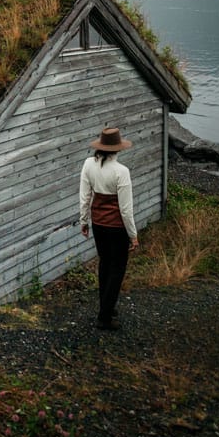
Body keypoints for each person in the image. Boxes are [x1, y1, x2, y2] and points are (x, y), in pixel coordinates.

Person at [79, 126, 139, 330]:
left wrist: (83, 221)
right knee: (117, 268)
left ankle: (106, 306)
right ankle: (104, 316)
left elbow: (84, 196)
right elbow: (126, 209)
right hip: (116, 227)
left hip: (98, 224)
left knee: (104, 264)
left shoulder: (89, 164)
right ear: (117, 148)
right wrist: (133, 235)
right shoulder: (122, 172)